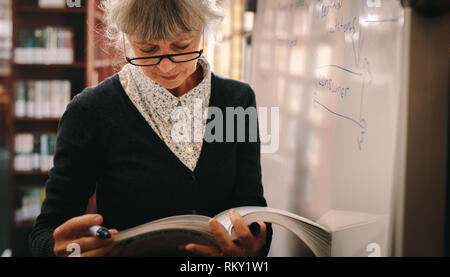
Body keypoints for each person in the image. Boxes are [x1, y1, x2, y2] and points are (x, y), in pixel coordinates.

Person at [29, 0, 272, 257]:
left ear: (203, 31)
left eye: (182, 46)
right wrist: (58, 250)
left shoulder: (237, 101)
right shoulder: (91, 111)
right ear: (126, 38)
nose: (166, 66)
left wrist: (251, 250)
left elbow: (252, 209)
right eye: (147, 49)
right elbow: (44, 232)